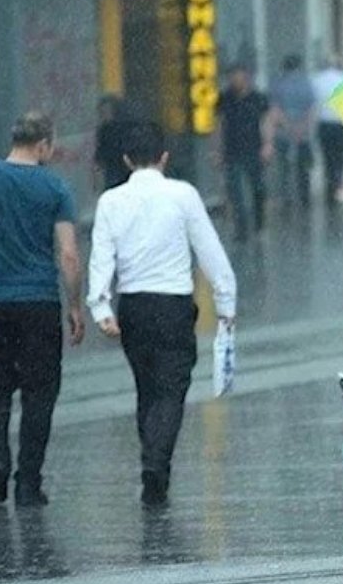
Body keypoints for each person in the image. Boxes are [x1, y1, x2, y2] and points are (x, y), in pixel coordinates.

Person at [87, 121, 237, 507]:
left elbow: (101, 256)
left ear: (124, 160)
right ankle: (155, 463)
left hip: (133, 305)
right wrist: (226, 303)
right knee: (172, 389)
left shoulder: (110, 201)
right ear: (164, 157)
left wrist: (100, 305)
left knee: (147, 387)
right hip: (173, 305)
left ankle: (154, 464)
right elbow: (209, 250)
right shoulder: (182, 195)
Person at [0, 112, 85, 506]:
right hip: (39, 304)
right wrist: (75, 306)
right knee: (39, 393)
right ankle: (28, 481)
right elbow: (67, 255)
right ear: (44, 144)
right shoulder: (55, 187)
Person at [216, 65, 274, 242]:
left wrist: (267, 144)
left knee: (258, 187)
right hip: (231, 150)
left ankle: (259, 223)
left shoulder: (258, 98)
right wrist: (216, 150)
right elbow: (219, 125)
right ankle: (241, 228)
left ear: (246, 78)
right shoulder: (224, 99)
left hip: (254, 149)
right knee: (235, 191)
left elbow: (266, 121)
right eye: (233, 77)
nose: (236, 81)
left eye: (239, 77)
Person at [270, 55, 316, 208]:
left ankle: (286, 198)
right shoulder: (306, 83)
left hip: (283, 132)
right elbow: (311, 109)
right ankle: (304, 197)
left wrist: (288, 126)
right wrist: (302, 128)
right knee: (303, 167)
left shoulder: (278, 84)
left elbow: (275, 109)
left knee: (283, 167)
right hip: (303, 133)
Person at [312, 55, 343, 205]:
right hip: (339, 125)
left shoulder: (316, 80)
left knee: (327, 157)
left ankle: (331, 185)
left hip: (323, 125)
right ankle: (337, 180)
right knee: (340, 155)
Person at [93, 96, 135, 191]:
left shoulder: (124, 129)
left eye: (106, 111)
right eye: (101, 112)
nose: (104, 115)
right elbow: (100, 152)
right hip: (112, 169)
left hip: (124, 168)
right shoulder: (103, 130)